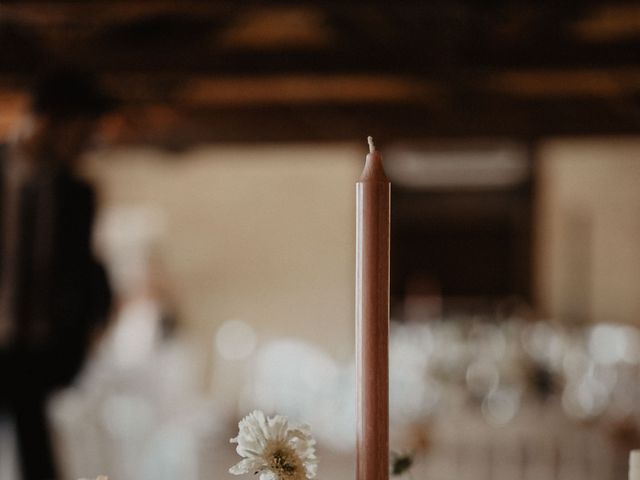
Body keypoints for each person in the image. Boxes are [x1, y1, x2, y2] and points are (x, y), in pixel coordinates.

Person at [0, 69, 113, 480]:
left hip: (36, 351)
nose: (87, 145)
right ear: (48, 123)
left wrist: (86, 331)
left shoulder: (77, 195)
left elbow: (83, 272)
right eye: (81, 132)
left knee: (39, 463)